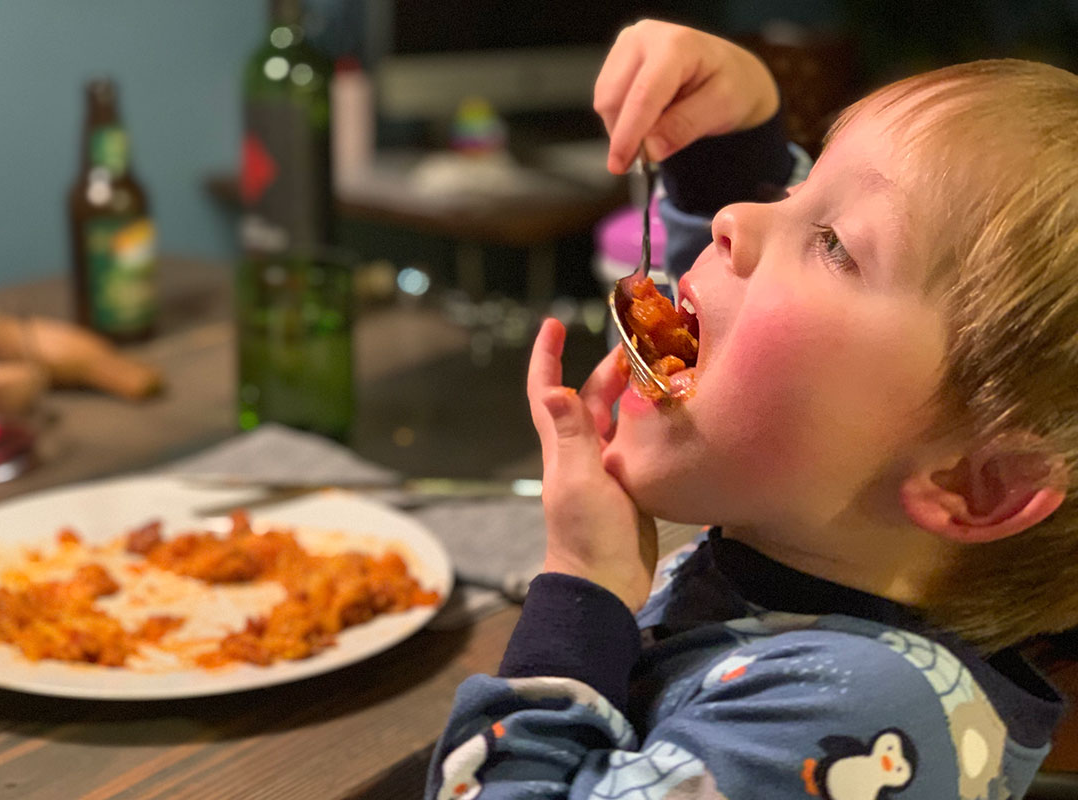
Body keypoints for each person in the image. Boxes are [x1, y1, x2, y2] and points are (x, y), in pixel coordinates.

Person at [424, 20, 1078, 800]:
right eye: (795, 192)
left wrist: (580, 597)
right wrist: (724, 144)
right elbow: (756, 370)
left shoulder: (859, 716)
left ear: (980, 483)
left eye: (834, 243)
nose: (737, 213)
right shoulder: (805, 555)